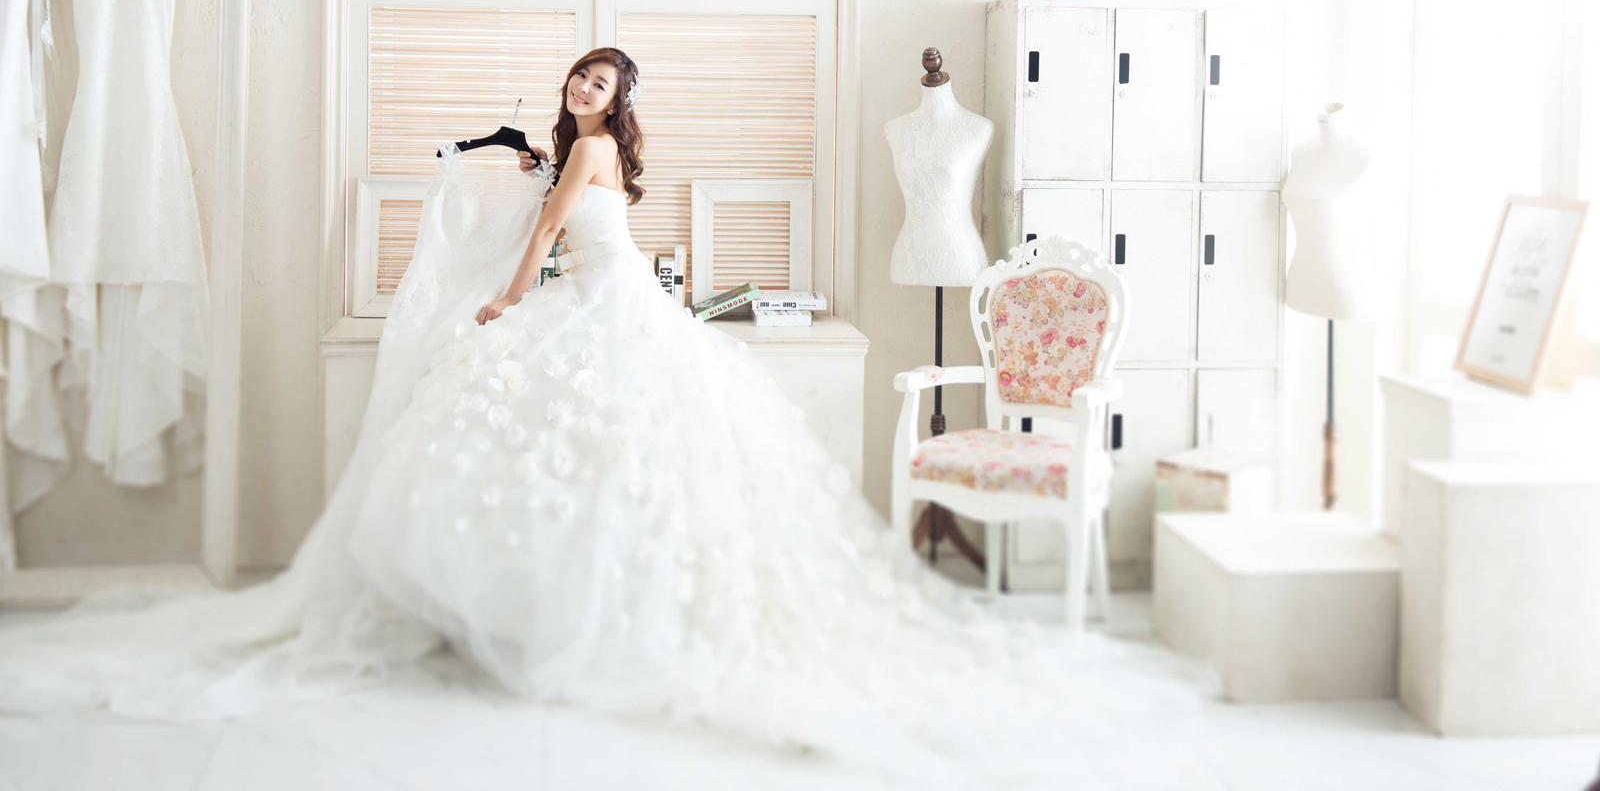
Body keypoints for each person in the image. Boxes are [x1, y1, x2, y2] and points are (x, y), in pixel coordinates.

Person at [0, 47, 1199, 787]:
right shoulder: (579, 150)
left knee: (574, 440)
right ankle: (557, 616)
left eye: (604, 86)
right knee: (595, 453)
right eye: (582, 77)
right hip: (615, 296)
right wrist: (531, 209)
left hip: (605, 301)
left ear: (618, 103)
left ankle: (562, 623)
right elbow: (560, 211)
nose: (588, 91)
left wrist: (505, 298)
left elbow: (541, 234)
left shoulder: (584, 158)